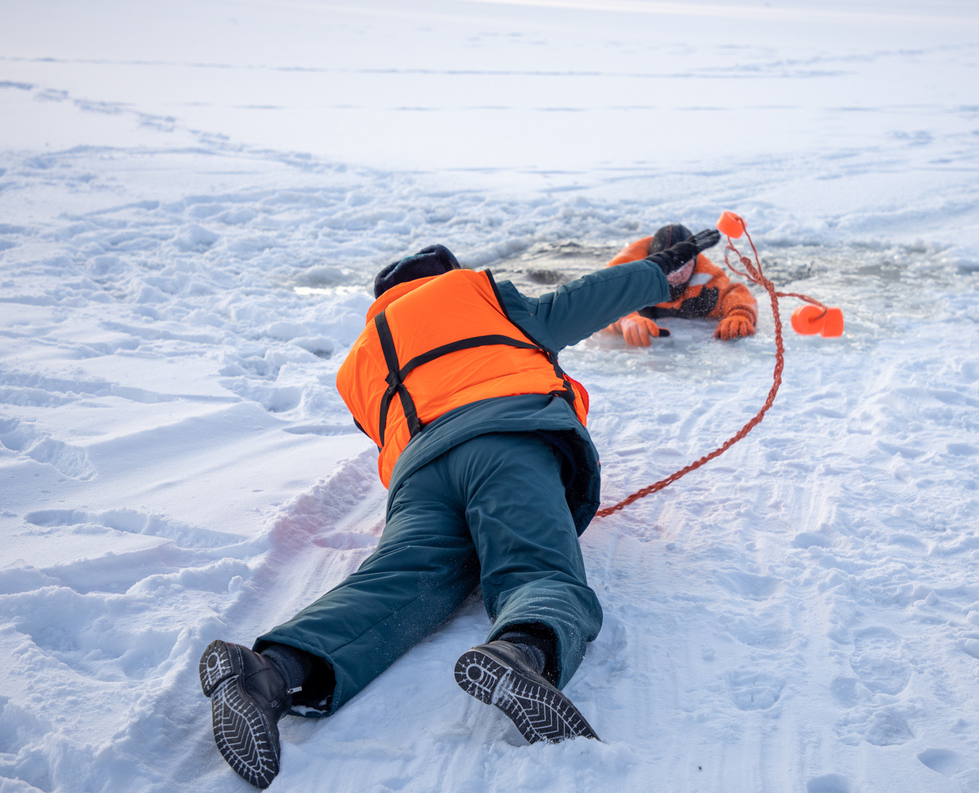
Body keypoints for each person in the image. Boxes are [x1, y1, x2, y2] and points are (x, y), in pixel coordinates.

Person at [198, 230, 721, 789]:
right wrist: (658, 267)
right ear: (446, 273)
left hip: (421, 473)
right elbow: (586, 299)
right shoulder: (475, 294)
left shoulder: (359, 361)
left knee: (404, 576)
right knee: (536, 564)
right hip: (508, 437)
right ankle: (523, 650)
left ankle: (270, 670)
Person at [603, 223, 758, 347]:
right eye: (670, 267)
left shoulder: (706, 284)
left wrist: (740, 315)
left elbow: (734, 294)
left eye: (686, 266)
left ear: (696, 262)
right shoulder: (628, 276)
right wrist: (625, 319)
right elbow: (604, 300)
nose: (677, 274)